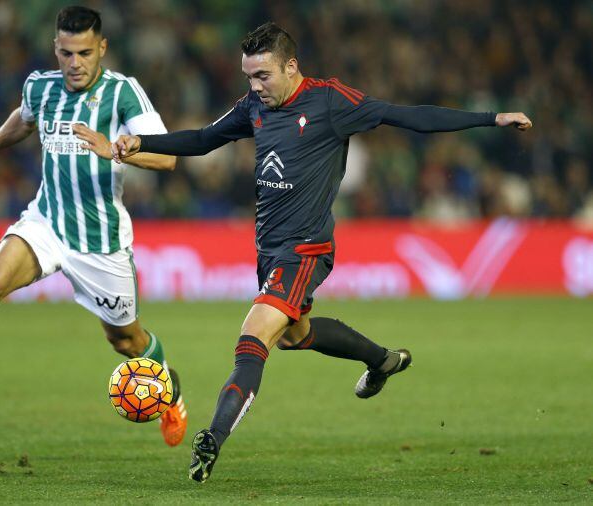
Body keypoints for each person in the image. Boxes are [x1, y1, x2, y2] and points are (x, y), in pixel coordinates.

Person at [105, 22, 532, 481]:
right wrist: (140, 144)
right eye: (249, 76)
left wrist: (490, 119)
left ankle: (212, 438)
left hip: (307, 249)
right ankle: (382, 360)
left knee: (253, 338)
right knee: (293, 334)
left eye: (263, 76)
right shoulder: (254, 107)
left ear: (291, 67)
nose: (254, 86)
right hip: (269, 249)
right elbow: (204, 139)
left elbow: (407, 116)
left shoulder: (331, 101)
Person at [0, 6, 188, 447]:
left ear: (102, 48)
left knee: (126, 341)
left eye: (85, 53)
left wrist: (112, 150)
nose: (75, 63)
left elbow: (167, 157)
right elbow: (23, 119)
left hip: (100, 241)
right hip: (46, 222)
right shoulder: (41, 86)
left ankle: (170, 396)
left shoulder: (123, 93)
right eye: (67, 53)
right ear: (56, 48)